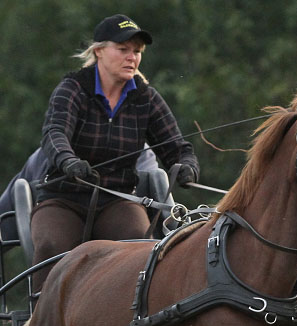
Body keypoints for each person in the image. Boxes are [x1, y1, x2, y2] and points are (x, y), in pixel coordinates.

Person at [31, 13, 199, 290]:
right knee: (53, 245)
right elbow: (54, 133)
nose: (131, 57)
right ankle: (39, 321)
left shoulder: (145, 97)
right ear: (98, 51)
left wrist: (187, 164)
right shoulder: (72, 88)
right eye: (122, 49)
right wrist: (69, 161)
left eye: (137, 51)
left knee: (140, 244)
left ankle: (139, 321)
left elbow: (177, 146)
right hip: (63, 198)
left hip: (116, 200)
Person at [0, 145, 160, 275]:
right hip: (67, 279)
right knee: (52, 242)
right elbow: (6, 213)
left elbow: (161, 210)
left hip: (127, 283)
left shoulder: (140, 156)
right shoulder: (46, 157)